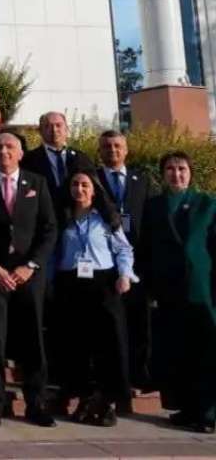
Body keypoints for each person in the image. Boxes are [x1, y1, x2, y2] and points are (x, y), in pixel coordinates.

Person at [0, 133, 58, 427]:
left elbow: (49, 229)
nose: (3, 151)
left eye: (9, 147)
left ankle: (36, 404)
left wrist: (30, 265)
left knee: (33, 340)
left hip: (28, 277)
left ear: (21, 153)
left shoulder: (36, 183)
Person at [54, 170, 136, 427]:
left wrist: (125, 275)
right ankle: (85, 396)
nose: (80, 189)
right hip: (72, 285)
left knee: (107, 344)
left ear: (94, 189)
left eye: (85, 185)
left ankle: (108, 400)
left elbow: (124, 249)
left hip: (103, 284)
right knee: (77, 345)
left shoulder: (106, 218)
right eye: (75, 184)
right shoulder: (63, 218)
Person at [142, 151, 216, 433]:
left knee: (206, 351)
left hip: (202, 290)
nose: (177, 174)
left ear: (190, 173)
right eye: (171, 169)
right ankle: (187, 408)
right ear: (163, 174)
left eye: (182, 168)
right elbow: (146, 248)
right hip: (168, 291)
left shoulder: (206, 204)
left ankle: (207, 413)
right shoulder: (154, 206)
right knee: (178, 353)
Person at [95, 130, 153, 391]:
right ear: (100, 151)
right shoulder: (92, 180)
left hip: (137, 261)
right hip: (104, 261)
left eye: (118, 146)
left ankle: (139, 376)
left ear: (126, 150)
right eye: (107, 147)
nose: (113, 151)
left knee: (139, 321)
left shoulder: (142, 180)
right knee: (111, 325)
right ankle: (113, 378)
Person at [23, 111, 96, 212]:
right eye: (47, 126)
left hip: (76, 217)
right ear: (40, 131)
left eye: (58, 125)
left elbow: (95, 188)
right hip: (44, 218)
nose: (54, 130)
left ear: (67, 129)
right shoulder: (29, 160)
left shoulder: (81, 158)